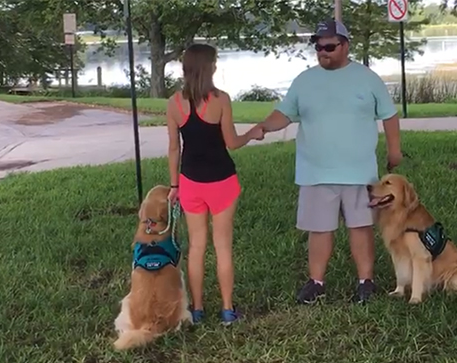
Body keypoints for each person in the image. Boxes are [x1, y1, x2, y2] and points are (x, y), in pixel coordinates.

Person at [251, 19, 403, 304]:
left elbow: (389, 115)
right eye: (319, 47)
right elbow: (285, 113)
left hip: (360, 173)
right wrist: (264, 126)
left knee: (360, 227)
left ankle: (365, 283)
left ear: (345, 46)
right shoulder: (304, 80)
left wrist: (394, 151)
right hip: (315, 171)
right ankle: (316, 282)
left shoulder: (367, 78)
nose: (323, 52)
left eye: (330, 46)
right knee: (319, 229)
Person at [166, 43, 264, 325]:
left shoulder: (173, 103)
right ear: (211, 68)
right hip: (223, 182)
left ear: (185, 68)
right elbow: (232, 142)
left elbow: (174, 148)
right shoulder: (221, 100)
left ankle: (196, 310)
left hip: (190, 183)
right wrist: (253, 134)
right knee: (223, 247)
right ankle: (227, 310)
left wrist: (174, 186)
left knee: (197, 247)